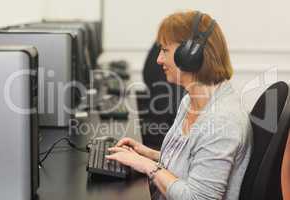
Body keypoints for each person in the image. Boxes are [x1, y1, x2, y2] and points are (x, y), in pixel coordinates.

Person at [106, 10, 253, 200]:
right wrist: (147, 154)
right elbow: (191, 165)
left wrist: (146, 165)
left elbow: (199, 197)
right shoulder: (191, 100)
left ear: (191, 55)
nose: (158, 59)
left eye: (165, 50)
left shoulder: (222, 122)